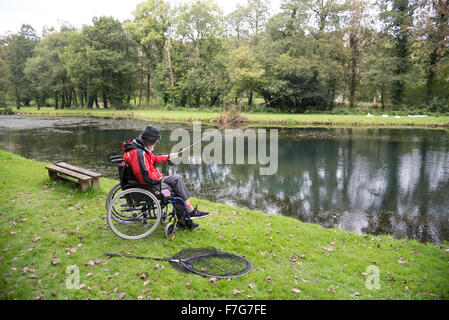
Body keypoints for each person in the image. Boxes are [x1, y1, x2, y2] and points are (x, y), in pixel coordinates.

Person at [122, 125, 210, 229]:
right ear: (151, 141)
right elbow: (144, 177)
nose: (156, 144)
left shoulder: (139, 149)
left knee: (176, 179)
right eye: (156, 142)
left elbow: (153, 158)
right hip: (148, 185)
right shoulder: (139, 153)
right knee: (175, 191)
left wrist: (169, 157)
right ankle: (186, 219)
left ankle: (189, 214)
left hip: (146, 183)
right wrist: (159, 178)